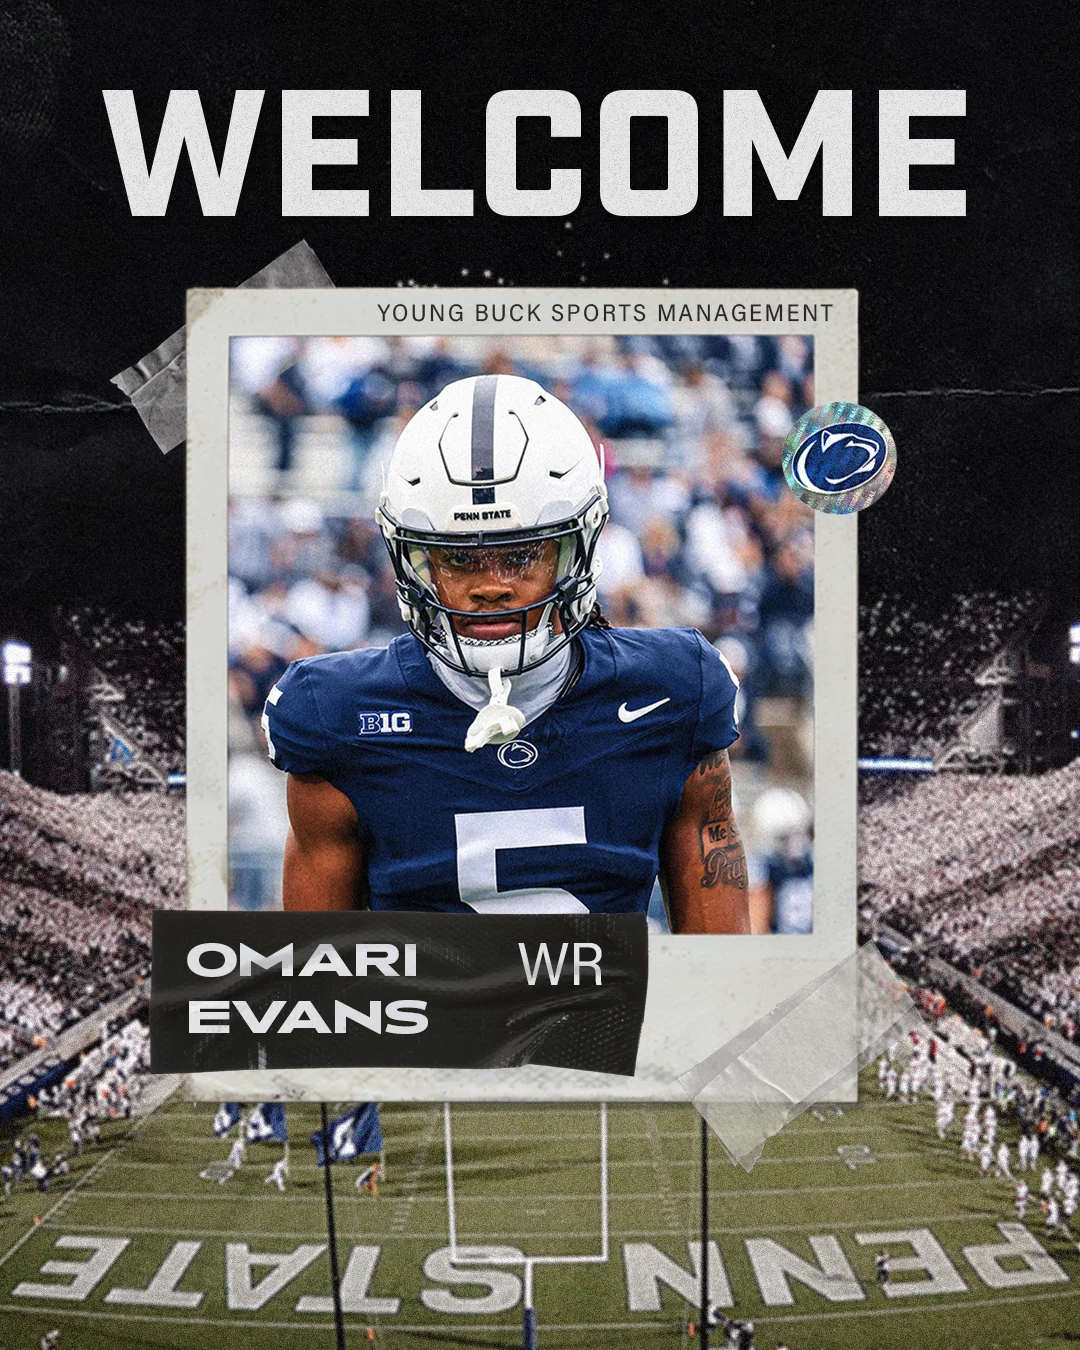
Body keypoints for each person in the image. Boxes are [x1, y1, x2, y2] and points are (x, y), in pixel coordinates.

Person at [267, 375, 750, 932]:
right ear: (412, 560)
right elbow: (320, 970)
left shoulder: (672, 692)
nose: (491, 586)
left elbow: (719, 961)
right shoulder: (337, 718)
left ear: (579, 549)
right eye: (459, 558)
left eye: (521, 554)